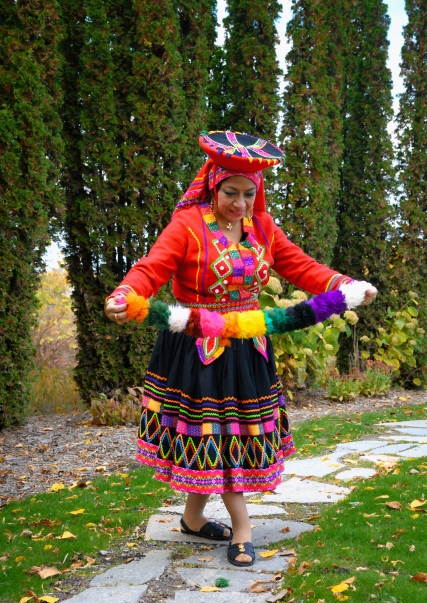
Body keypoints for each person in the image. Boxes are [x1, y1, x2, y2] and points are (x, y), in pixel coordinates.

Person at [105, 130, 377, 566]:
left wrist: (345, 286)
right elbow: (150, 269)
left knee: (222, 433)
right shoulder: (188, 227)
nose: (241, 203)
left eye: (249, 194)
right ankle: (242, 528)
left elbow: (303, 268)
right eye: (231, 192)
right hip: (198, 347)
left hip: (248, 348)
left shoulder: (263, 229)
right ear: (213, 186)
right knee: (221, 433)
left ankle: (193, 519)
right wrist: (125, 293)